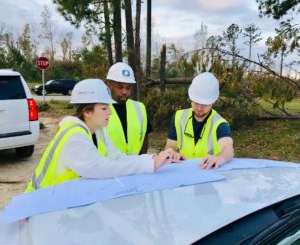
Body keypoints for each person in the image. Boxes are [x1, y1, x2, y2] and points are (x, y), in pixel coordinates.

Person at [25, 79, 181, 193]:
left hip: (63, 198)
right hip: (40, 202)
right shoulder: (73, 137)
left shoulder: (98, 131)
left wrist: (154, 159)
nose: (110, 112)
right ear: (87, 111)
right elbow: (103, 168)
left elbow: (117, 157)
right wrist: (150, 166)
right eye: (104, 108)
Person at [165, 72, 234, 169]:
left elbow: (228, 148)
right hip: (182, 171)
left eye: (204, 104)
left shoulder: (220, 124)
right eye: (196, 103)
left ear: (212, 102)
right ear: (191, 98)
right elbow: (170, 145)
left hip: (208, 173)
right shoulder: (178, 117)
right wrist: (172, 153)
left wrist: (220, 158)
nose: (199, 108)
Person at [105, 62, 151, 154]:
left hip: (135, 166)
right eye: (120, 87)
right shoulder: (100, 108)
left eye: (128, 88)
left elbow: (144, 140)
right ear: (110, 84)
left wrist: (141, 163)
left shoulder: (139, 108)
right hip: (109, 167)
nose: (125, 92)